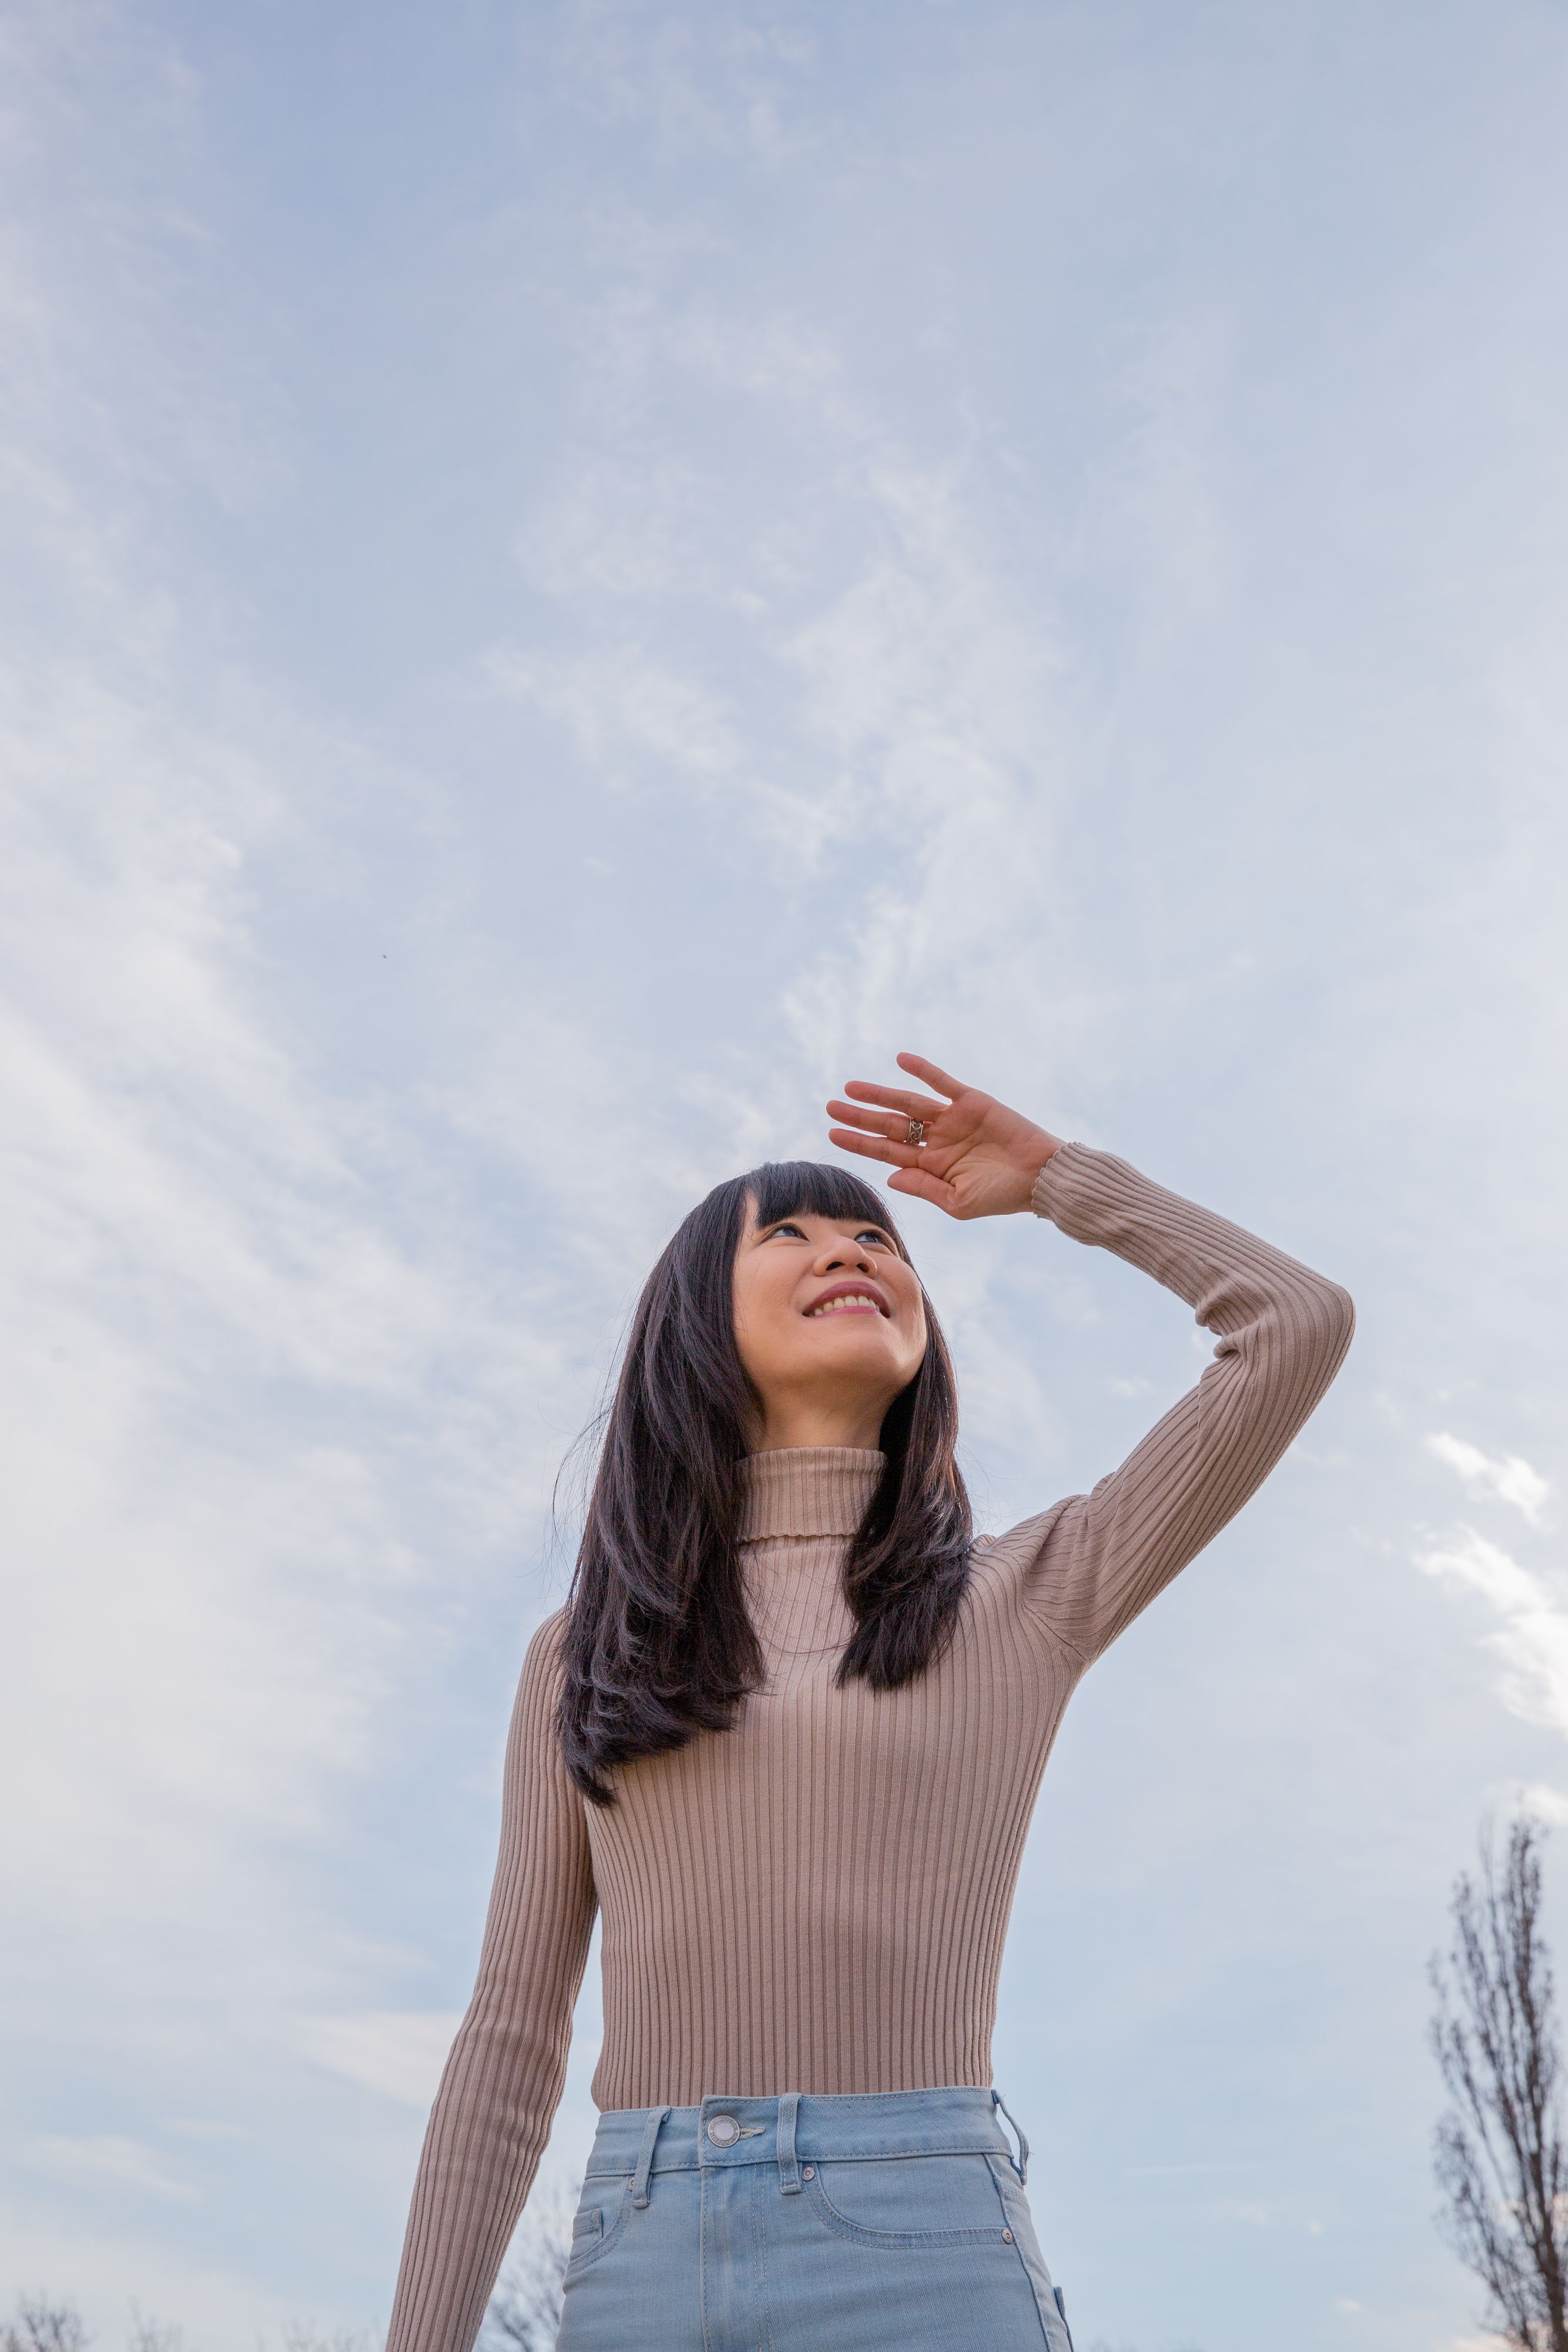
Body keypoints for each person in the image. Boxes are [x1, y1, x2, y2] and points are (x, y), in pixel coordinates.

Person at [383, 1054, 1353, 2352]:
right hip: (641, 2256)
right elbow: (509, 2036)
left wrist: (1059, 1180)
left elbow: (1293, 1320)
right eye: (785, 1230)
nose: (847, 1249)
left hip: (925, 2245)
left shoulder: (1027, 1592)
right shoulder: (585, 1653)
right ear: (689, 1320)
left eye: (872, 1233)